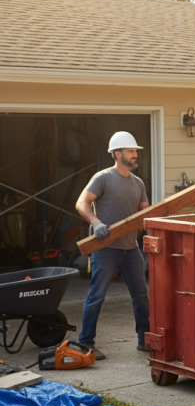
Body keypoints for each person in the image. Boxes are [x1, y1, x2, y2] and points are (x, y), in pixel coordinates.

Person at [75, 132, 150, 360]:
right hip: (106, 248)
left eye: (135, 151)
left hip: (131, 249)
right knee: (96, 296)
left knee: (141, 295)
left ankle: (145, 339)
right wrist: (96, 223)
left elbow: (146, 213)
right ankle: (86, 343)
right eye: (130, 151)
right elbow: (81, 203)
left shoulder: (138, 183)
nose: (135, 155)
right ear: (118, 154)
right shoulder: (103, 178)